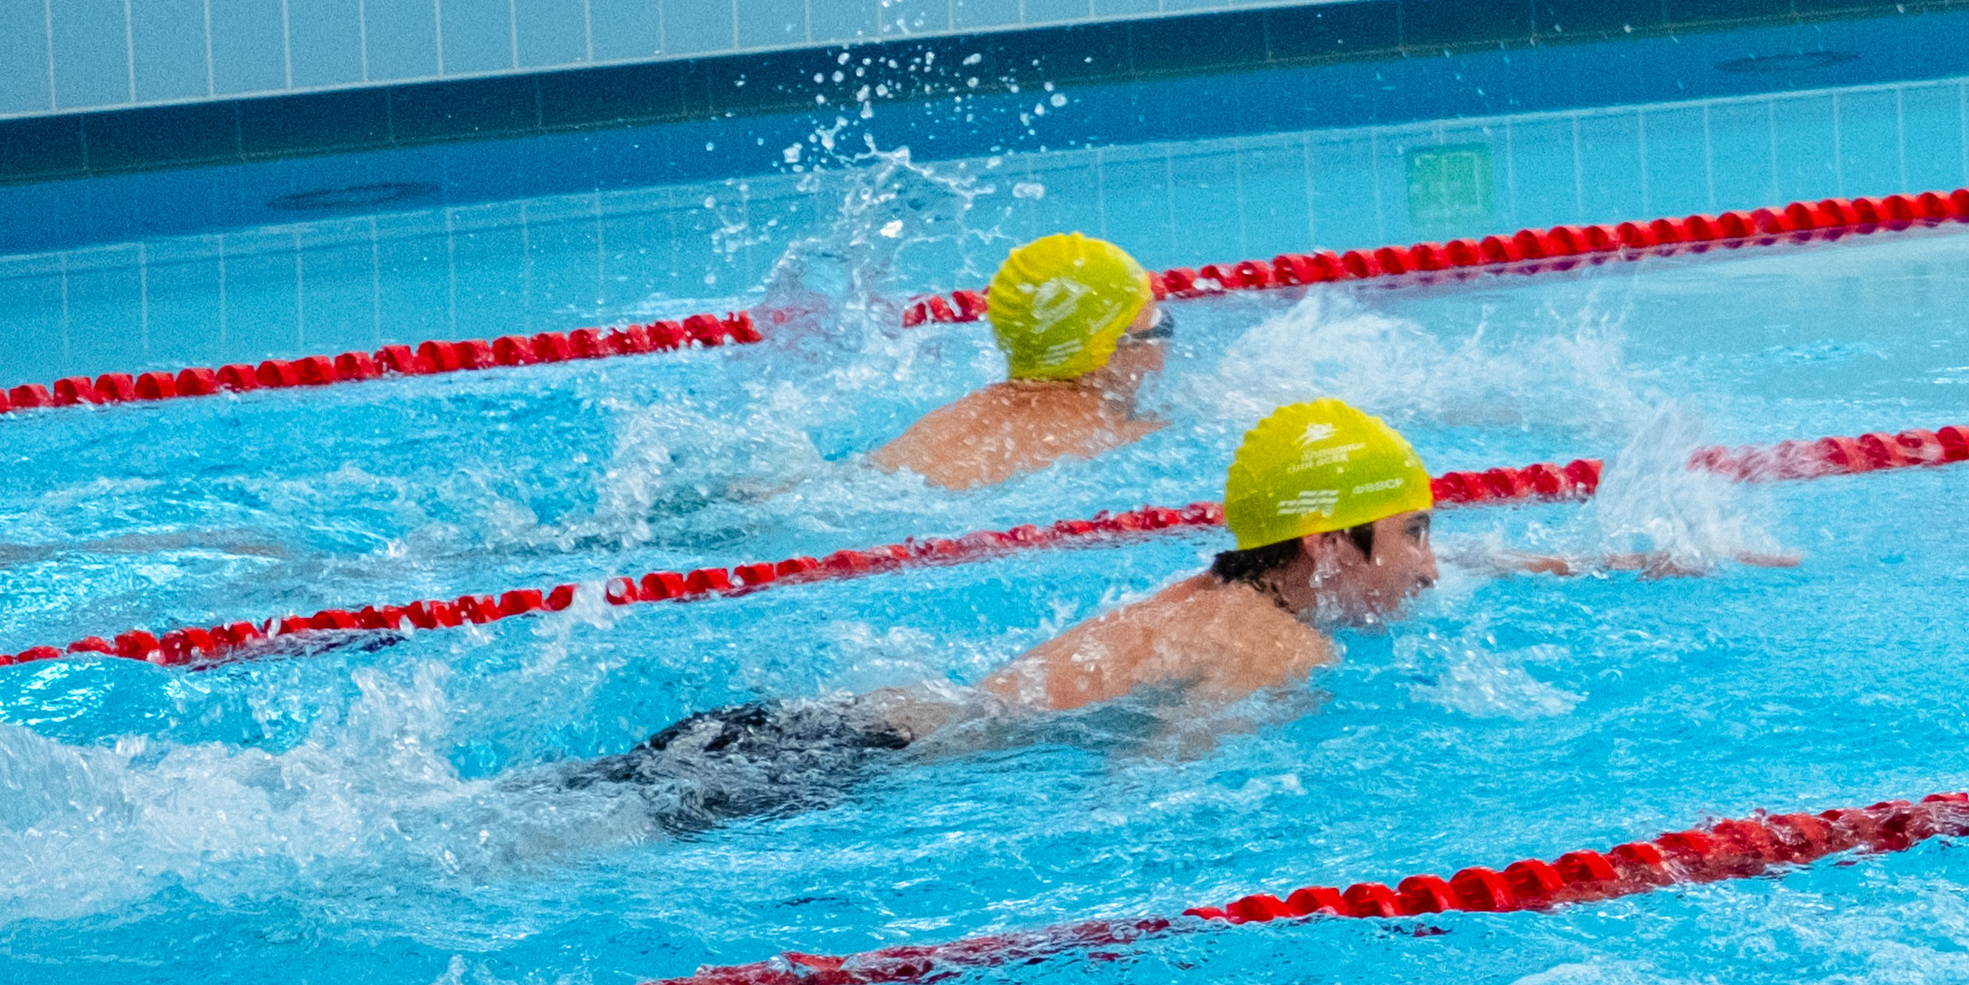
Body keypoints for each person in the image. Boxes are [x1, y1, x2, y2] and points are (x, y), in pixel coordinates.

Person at [582, 399, 1793, 831]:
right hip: (834, 770)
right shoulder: (1281, 644)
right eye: (1412, 530)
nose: (1433, 564)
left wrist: (1634, 562)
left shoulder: (1231, 588)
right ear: (1329, 542)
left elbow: (1480, 560)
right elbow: (1147, 786)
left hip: (827, 727)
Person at [868, 231, 1173, 490]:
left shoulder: (953, 420)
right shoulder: (1121, 433)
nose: (1162, 346)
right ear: (1116, 348)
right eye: (1161, 325)